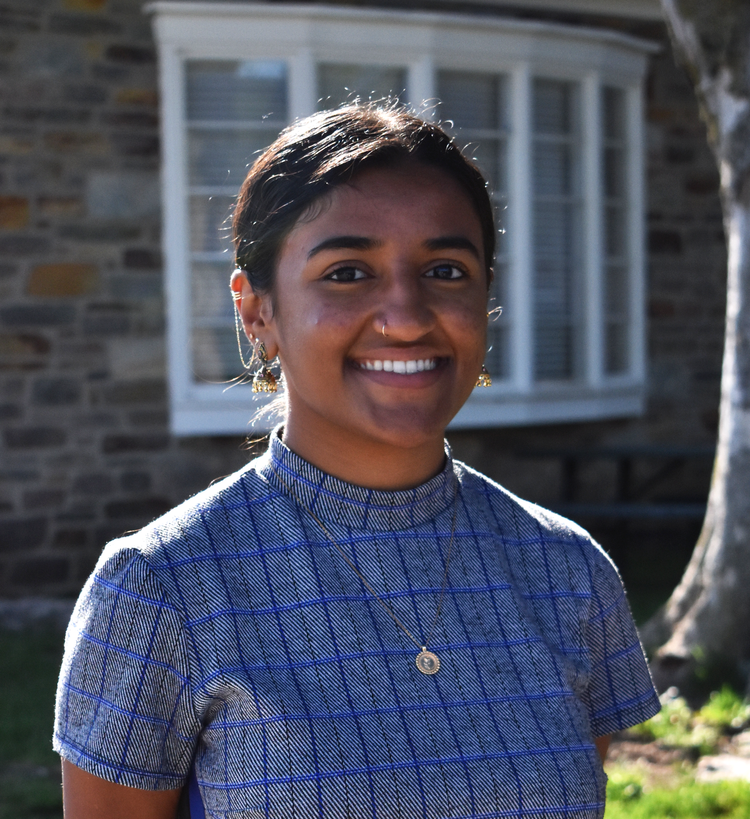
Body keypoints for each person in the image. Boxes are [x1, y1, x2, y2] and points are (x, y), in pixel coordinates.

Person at [54, 103, 660, 819]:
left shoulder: (568, 572)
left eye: (445, 268)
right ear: (257, 311)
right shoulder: (160, 591)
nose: (405, 315)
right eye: (347, 272)